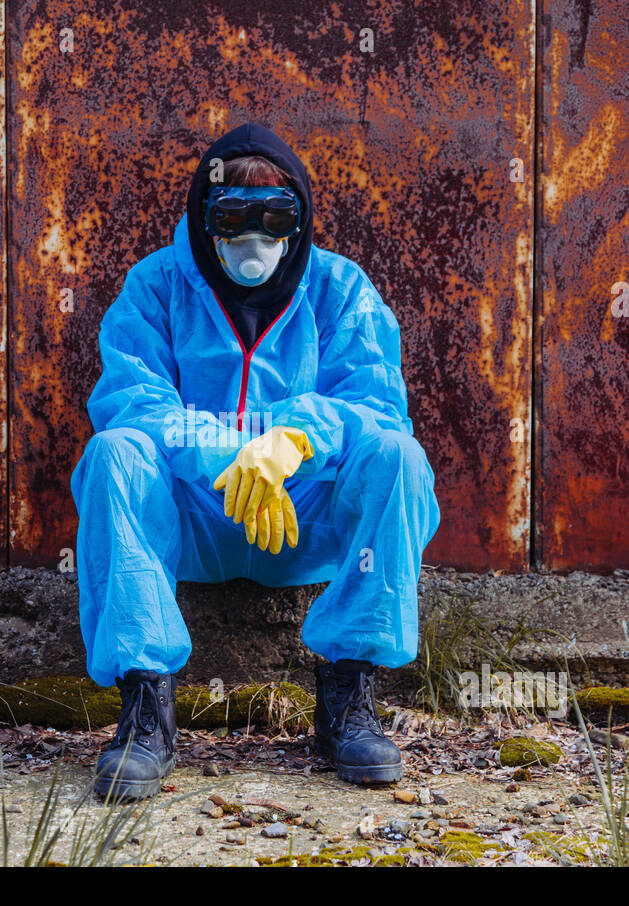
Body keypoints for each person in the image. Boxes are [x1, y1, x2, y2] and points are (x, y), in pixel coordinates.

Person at [71, 122, 439, 798]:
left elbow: (375, 403)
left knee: (398, 457)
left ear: (298, 222)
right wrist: (230, 459)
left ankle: (348, 692)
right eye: (233, 217)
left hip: (301, 519)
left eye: (276, 218)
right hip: (197, 519)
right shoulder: (155, 287)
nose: (254, 238)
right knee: (114, 455)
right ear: (202, 220)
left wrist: (290, 442)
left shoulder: (339, 289)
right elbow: (133, 402)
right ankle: (145, 704)